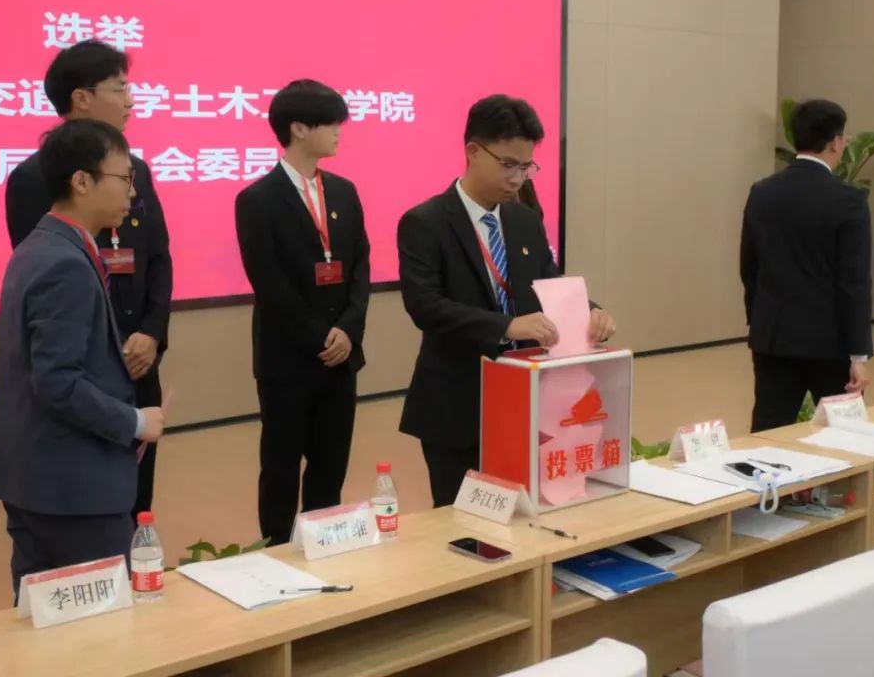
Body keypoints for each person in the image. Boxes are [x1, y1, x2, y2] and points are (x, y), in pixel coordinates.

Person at [397, 94, 616, 507]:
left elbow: (549, 281)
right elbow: (425, 305)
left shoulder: (523, 220)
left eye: (526, 167)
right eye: (508, 164)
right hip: (457, 402)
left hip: (526, 399)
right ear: (473, 152)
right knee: (462, 518)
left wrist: (591, 311)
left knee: (525, 512)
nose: (518, 178)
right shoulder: (424, 222)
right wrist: (506, 327)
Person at [0, 119, 165, 597]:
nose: (133, 192)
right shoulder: (65, 262)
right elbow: (57, 382)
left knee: (44, 614)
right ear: (82, 181)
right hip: (72, 487)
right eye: (123, 178)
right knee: (97, 621)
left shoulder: (42, 245)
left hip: (38, 477)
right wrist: (135, 421)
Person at [4, 40, 172, 523]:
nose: (131, 101)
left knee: (137, 502)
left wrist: (151, 334)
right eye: (120, 89)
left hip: (140, 363)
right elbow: (49, 285)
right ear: (81, 98)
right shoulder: (33, 178)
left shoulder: (137, 171)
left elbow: (158, 257)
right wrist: (112, 346)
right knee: (87, 506)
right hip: (81, 372)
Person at [235, 79, 371, 545]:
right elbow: (269, 283)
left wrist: (347, 330)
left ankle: (324, 541)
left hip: (341, 357)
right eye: (329, 122)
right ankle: (275, 549)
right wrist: (319, 337)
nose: (338, 131)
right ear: (297, 128)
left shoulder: (345, 192)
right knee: (281, 466)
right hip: (288, 360)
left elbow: (360, 267)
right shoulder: (257, 200)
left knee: (331, 464)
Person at [740, 98, 872, 432]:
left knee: (769, 431)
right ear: (835, 142)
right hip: (830, 343)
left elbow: (749, 268)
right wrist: (859, 355)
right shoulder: (849, 201)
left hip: (773, 337)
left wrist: (760, 322)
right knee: (846, 434)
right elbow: (853, 282)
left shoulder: (762, 192)